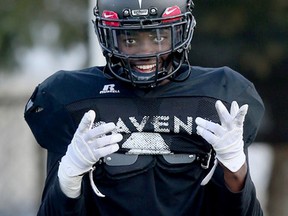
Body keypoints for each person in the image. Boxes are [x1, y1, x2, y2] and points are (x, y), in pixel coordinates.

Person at [24, 0, 265, 215]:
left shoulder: (219, 96)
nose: (146, 52)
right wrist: (69, 178)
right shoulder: (72, 99)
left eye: (159, 37)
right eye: (130, 39)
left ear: (181, 31)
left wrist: (235, 168)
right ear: (109, 35)